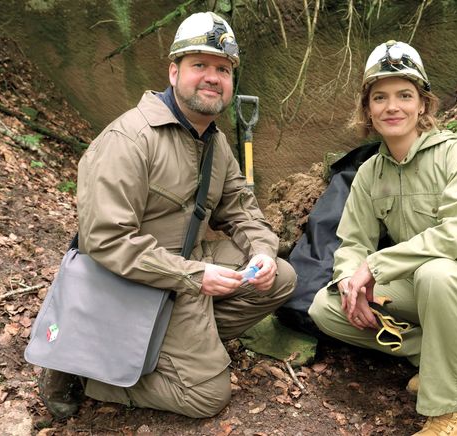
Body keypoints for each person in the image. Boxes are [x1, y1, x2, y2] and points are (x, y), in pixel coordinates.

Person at [38, 11, 296, 419]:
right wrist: (193, 277)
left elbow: (242, 210)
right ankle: (87, 374)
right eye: (200, 65)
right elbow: (105, 240)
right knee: (207, 397)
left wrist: (262, 251)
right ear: (174, 72)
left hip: (185, 270)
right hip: (130, 280)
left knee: (280, 277)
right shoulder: (129, 138)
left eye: (223, 69)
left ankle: (167, 347)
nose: (213, 77)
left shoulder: (215, 142)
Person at [307, 40, 457, 435]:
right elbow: (353, 242)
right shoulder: (370, 173)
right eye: (380, 97)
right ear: (368, 110)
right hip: (424, 292)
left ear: (422, 104)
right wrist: (348, 284)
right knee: (325, 306)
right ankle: (444, 358)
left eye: (404, 95)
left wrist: (377, 265)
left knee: (437, 274)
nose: (392, 107)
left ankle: (450, 415)